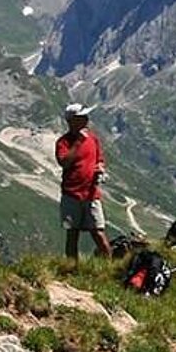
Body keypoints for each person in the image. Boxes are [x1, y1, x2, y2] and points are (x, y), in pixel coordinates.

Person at [55, 102, 111, 264]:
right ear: (72, 121)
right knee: (72, 234)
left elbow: (100, 158)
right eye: (82, 117)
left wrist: (100, 167)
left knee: (98, 231)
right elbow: (64, 162)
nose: (87, 119)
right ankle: (71, 268)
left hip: (92, 194)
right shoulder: (63, 142)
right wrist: (78, 142)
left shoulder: (93, 138)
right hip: (72, 195)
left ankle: (110, 266)